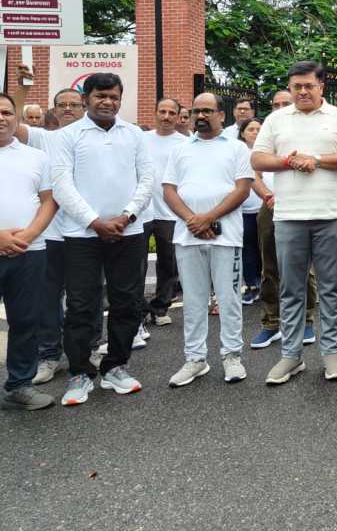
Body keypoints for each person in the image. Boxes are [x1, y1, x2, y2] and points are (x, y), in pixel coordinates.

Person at [251, 61, 337, 385]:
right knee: (291, 288)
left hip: (330, 215)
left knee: (331, 287)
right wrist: (288, 161)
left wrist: (317, 160)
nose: (302, 91)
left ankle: (331, 352)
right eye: (296, 86)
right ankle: (291, 355)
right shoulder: (276, 119)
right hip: (289, 216)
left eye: (308, 86)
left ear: (321, 87)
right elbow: (257, 159)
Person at [52, 72, 153, 406]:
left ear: (120, 100)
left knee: (127, 301)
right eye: (100, 96)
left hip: (128, 232)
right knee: (81, 305)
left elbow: (147, 179)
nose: (107, 102)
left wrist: (127, 216)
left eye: (113, 97)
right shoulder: (67, 136)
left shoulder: (134, 134)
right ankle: (80, 373)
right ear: (86, 99)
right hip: (81, 234)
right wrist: (94, 222)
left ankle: (116, 367)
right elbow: (61, 185)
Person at [9, 82, 99, 386]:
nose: (68, 109)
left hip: (85, 231)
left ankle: (89, 349)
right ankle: (50, 355)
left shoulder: (95, 138)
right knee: (47, 298)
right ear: (54, 109)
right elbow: (13, 121)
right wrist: (22, 89)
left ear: (84, 106)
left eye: (74, 104)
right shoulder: (43, 137)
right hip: (50, 235)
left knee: (86, 296)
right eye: (62, 105)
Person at [163, 93, 254, 386]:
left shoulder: (236, 148)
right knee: (193, 300)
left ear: (221, 115)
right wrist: (193, 220)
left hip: (225, 236)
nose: (200, 115)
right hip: (187, 235)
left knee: (229, 299)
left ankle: (232, 356)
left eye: (207, 110)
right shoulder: (180, 149)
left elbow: (242, 190)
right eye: (196, 111)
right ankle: (195, 359)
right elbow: (169, 190)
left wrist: (208, 218)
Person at [0, 92, 58, 411]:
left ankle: (19, 385)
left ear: (16, 117)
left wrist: (30, 234)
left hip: (30, 250)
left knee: (26, 320)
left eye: (7, 112)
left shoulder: (36, 157)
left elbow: (49, 200)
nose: (1, 118)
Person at [250, 90, 321, 348]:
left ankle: (306, 321)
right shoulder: (267, 133)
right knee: (269, 267)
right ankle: (271, 323)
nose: (280, 108)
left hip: (301, 205)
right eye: (275, 104)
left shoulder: (308, 132)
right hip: (270, 206)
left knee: (303, 267)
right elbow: (254, 173)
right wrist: (268, 196)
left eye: (285, 103)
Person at [142, 99, 189, 325]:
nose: (167, 116)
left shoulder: (185, 143)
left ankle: (160, 308)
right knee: (136, 265)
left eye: (172, 113)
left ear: (178, 116)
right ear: (155, 113)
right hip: (141, 212)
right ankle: (138, 311)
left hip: (170, 213)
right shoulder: (142, 139)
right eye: (162, 111)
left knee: (168, 264)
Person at [236, 117, 264, 305]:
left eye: (258, 129)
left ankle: (269, 285)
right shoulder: (237, 152)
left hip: (266, 208)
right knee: (248, 249)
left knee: (267, 249)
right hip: (244, 209)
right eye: (251, 129)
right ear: (242, 133)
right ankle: (252, 286)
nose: (255, 132)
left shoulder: (269, 151)